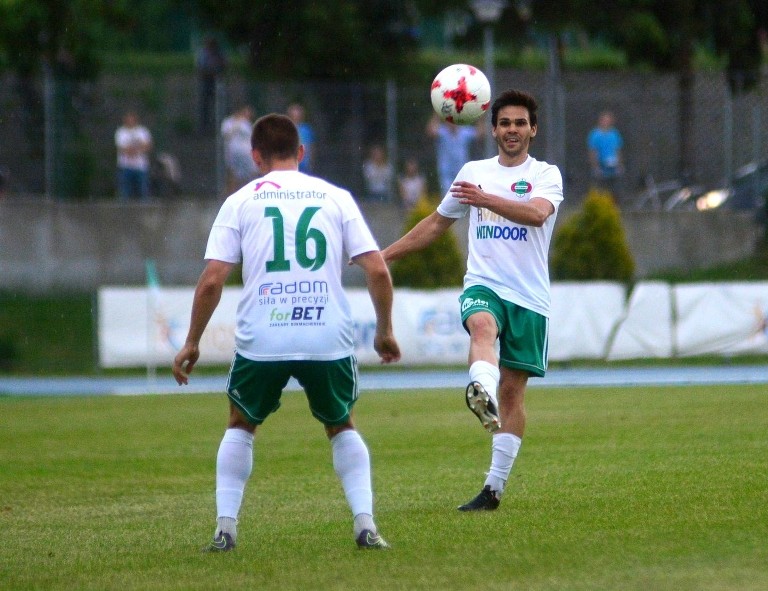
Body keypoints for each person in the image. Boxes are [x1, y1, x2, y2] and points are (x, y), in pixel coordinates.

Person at [172, 113, 401, 552]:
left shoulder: (240, 201)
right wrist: (385, 332)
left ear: (256, 157)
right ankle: (366, 526)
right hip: (325, 334)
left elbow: (213, 281)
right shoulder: (335, 197)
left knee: (240, 424)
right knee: (341, 424)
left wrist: (192, 341)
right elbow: (377, 269)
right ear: (301, 152)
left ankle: (225, 530)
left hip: (265, 336)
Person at [382, 89, 563, 511]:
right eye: (504, 123)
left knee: (514, 395)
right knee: (482, 324)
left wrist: (484, 200)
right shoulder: (473, 171)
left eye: (520, 123)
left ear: (533, 129)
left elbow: (537, 214)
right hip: (484, 284)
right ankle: (481, 386)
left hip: (530, 296)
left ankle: (493, 490)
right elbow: (436, 223)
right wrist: (382, 257)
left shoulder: (546, 174)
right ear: (493, 129)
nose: (512, 130)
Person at [427, 114, 484, 197]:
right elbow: (430, 131)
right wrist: (437, 112)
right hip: (446, 172)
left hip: (461, 171)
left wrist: (480, 115)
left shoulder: (464, 132)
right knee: (447, 196)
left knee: (462, 196)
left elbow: (480, 133)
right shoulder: (442, 132)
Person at [587, 110, 625, 202]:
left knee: (614, 191)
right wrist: (595, 167)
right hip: (601, 166)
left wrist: (620, 165)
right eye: (604, 120)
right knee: (600, 190)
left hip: (613, 167)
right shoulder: (595, 135)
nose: (606, 122)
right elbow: (592, 151)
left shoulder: (614, 134)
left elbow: (618, 150)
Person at [115, 111, 153, 201]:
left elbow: (148, 145)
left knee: (143, 191)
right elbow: (122, 148)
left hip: (141, 166)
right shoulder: (121, 132)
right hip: (125, 166)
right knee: (124, 192)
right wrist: (137, 148)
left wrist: (135, 149)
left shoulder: (143, 131)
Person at [221, 105, 258, 193]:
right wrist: (236, 125)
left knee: (250, 174)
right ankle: (230, 194)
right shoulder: (228, 122)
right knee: (233, 175)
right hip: (233, 153)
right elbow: (226, 135)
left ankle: (247, 193)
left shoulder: (246, 123)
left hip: (247, 155)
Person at [197, 37, 227, 133]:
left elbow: (224, 65)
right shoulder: (203, 53)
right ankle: (204, 125)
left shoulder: (219, 53)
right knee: (205, 105)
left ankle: (220, 124)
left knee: (220, 103)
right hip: (206, 81)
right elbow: (201, 68)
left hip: (217, 81)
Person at [287, 103, 315, 174]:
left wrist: (311, 161)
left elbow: (311, 146)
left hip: (304, 164)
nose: (296, 117)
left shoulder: (306, 130)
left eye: (298, 114)